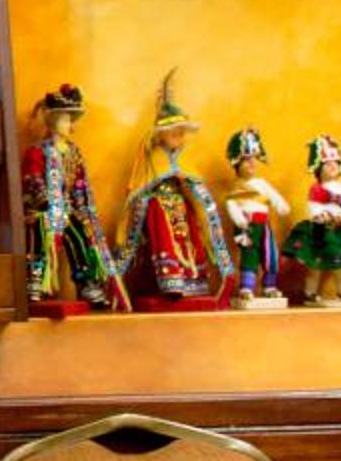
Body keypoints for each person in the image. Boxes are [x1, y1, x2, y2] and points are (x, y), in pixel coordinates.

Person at [121, 73, 226, 302]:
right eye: (174, 131)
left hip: (181, 205)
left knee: (190, 227)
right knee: (158, 212)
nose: (179, 135)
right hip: (159, 205)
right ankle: (170, 277)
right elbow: (139, 188)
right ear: (161, 135)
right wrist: (154, 191)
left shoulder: (185, 158)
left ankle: (192, 279)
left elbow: (197, 190)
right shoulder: (153, 158)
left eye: (181, 131)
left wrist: (186, 185)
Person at [22, 83, 127, 309]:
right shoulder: (37, 151)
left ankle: (86, 282)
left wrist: (81, 205)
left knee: (81, 234)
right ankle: (36, 281)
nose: (71, 126)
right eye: (66, 120)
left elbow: (79, 182)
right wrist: (47, 200)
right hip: (44, 210)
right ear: (53, 122)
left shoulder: (73, 152)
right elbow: (33, 178)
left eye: (71, 120)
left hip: (68, 209)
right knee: (43, 229)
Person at [288, 135, 341, 305]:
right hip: (320, 231)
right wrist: (320, 215)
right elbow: (312, 206)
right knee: (315, 263)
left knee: (340, 261)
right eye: (327, 163)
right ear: (318, 168)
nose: (332, 166)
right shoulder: (317, 190)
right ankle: (310, 290)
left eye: (335, 162)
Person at [219, 127, 289, 308]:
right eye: (246, 160)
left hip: (264, 226)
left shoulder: (262, 184)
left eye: (253, 159)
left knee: (270, 255)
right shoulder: (237, 188)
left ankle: (269, 286)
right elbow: (232, 205)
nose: (251, 164)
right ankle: (246, 287)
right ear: (237, 164)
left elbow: (273, 196)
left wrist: (280, 205)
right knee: (249, 255)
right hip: (248, 227)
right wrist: (239, 220)